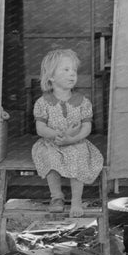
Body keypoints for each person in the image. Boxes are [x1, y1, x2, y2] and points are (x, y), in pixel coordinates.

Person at [31, 49, 104, 217]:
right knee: (48, 157)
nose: (72, 74)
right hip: (51, 142)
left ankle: (76, 201)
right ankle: (56, 197)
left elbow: (86, 127)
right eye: (66, 70)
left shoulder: (83, 102)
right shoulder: (43, 102)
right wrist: (57, 135)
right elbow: (40, 128)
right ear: (51, 77)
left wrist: (73, 138)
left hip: (77, 142)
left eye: (74, 71)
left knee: (77, 156)